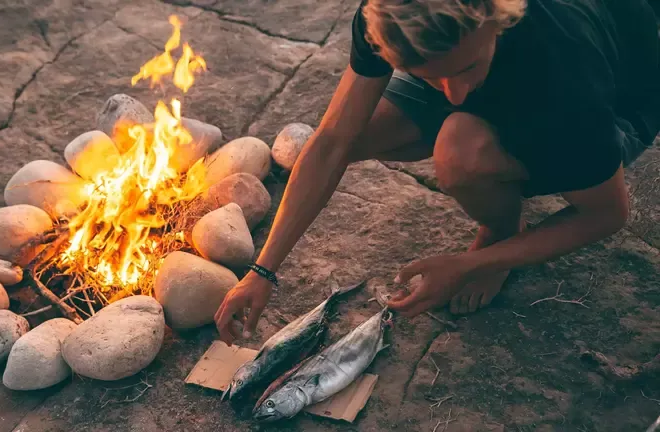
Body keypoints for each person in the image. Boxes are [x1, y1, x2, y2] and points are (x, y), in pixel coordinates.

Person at [214, 0, 660, 345]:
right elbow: (332, 141)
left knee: (460, 149)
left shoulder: (562, 67)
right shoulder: (391, 15)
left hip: (619, 98)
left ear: (495, 16)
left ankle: (500, 233)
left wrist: (469, 265)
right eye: (425, 75)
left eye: (465, 69)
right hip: (505, 60)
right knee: (357, 133)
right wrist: (262, 271)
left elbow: (606, 215)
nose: (455, 93)